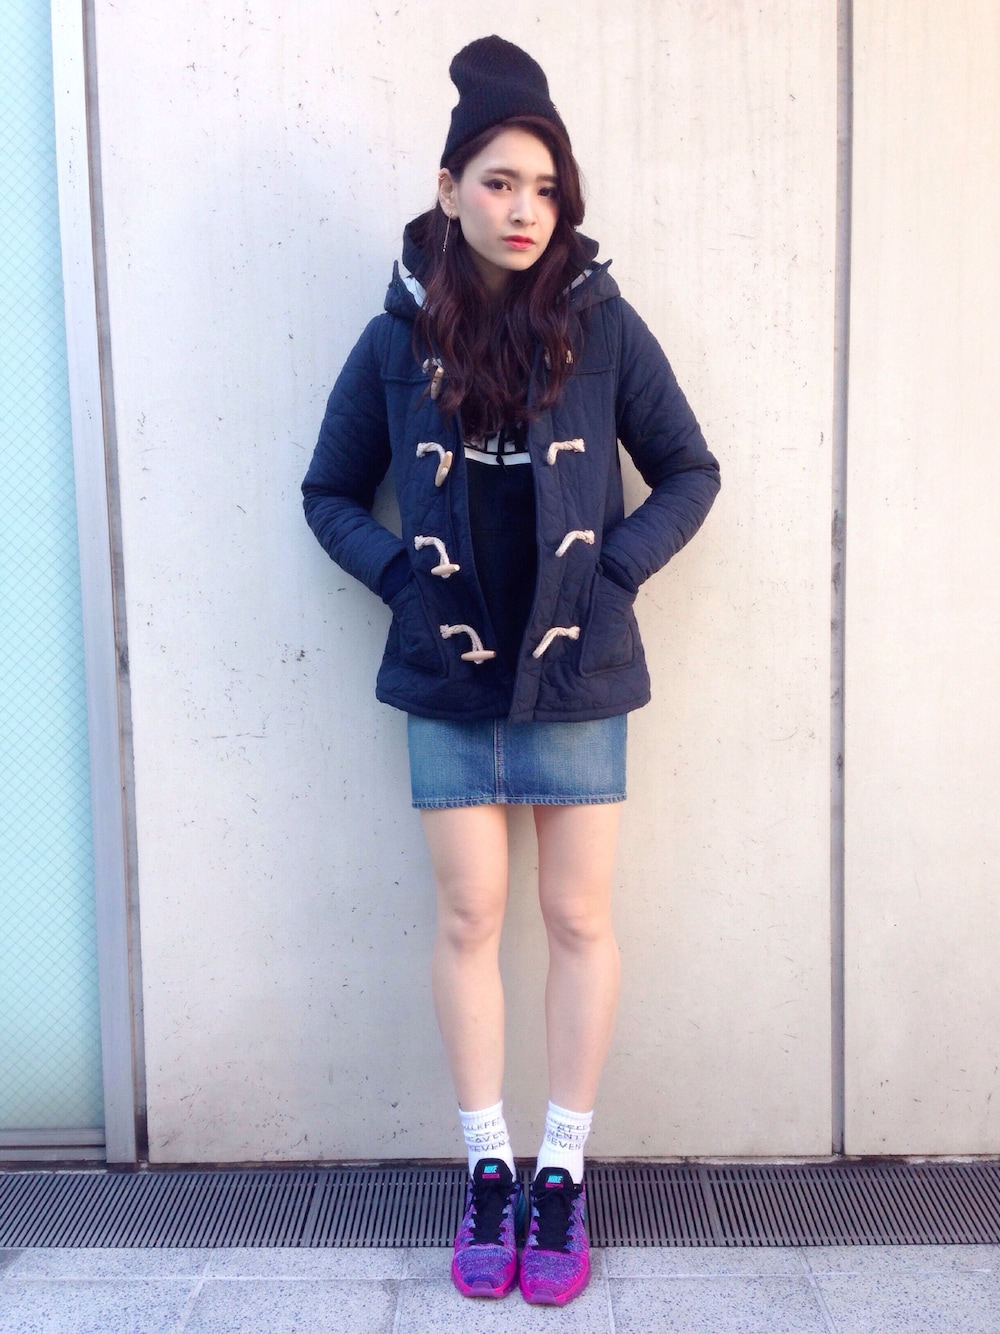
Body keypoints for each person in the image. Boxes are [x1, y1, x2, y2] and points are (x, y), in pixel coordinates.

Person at [302, 35, 720, 1307]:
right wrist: (403, 582)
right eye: (497, 182)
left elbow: (688, 469)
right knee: (468, 915)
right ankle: (487, 1164)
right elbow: (328, 491)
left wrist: (611, 574)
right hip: (447, 675)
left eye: (543, 186)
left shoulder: (601, 324)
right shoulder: (393, 337)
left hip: (577, 673)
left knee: (578, 918)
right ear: (448, 189)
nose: (523, 207)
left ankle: (561, 1174)